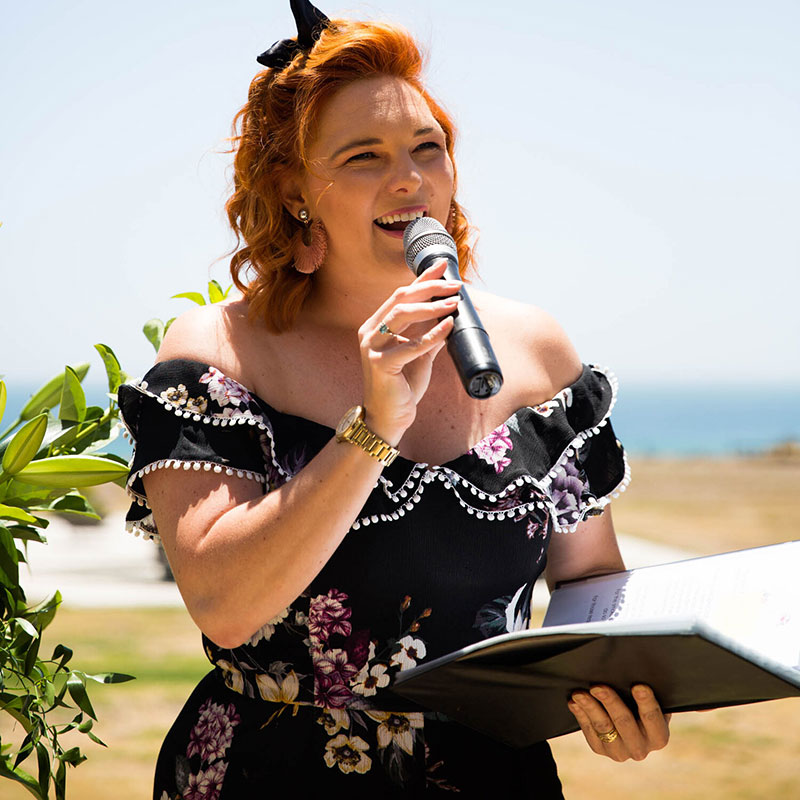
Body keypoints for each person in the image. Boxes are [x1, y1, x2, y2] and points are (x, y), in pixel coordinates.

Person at [119, 2, 671, 796]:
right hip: (274, 775)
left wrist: (619, 687)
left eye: (427, 149)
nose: (409, 179)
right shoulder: (216, 355)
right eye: (363, 157)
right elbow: (224, 604)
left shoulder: (537, 349)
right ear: (296, 190)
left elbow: (586, 579)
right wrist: (373, 428)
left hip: (491, 774)